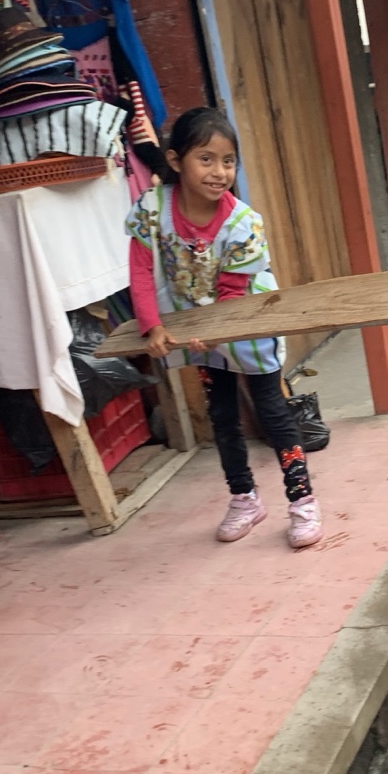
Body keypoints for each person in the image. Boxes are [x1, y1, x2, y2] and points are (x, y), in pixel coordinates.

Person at [126, 108, 322, 548]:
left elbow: (233, 292)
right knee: (222, 415)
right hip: (196, 328)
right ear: (175, 160)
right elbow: (139, 269)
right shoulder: (152, 209)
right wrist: (151, 326)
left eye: (228, 161)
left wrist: (218, 331)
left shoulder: (243, 223)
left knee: (273, 412)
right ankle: (244, 498)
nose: (220, 172)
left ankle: (303, 502)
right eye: (206, 159)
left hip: (246, 324)